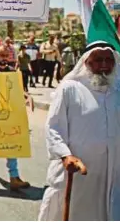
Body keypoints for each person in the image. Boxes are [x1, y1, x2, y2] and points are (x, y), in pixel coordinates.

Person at [38, 41, 120, 221]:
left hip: (112, 173)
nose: (104, 65)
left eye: (109, 60)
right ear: (86, 62)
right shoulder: (69, 88)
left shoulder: (117, 89)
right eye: (98, 60)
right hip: (77, 172)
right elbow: (54, 127)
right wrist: (65, 155)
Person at [0, 45, 31, 191]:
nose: (4, 58)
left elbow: (18, 90)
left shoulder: (12, 72)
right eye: (2, 55)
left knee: (11, 142)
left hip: (8, 113)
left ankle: (14, 176)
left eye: (6, 55)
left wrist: (27, 96)